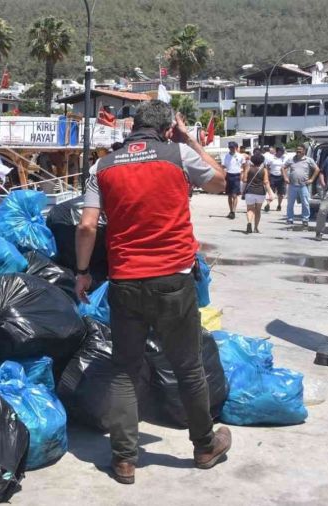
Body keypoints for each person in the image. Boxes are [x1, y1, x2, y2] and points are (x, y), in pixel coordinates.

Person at [73, 100, 232, 485]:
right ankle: (204, 445)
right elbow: (221, 181)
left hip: (125, 282)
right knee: (189, 367)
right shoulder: (176, 154)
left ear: (132, 127)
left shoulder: (103, 166)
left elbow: (87, 226)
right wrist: (190, 141)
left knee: (125, 371)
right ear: (167, 129)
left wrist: (81, 273)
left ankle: (124, 460)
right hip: (174, 280)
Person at [283, 145, 319, 227]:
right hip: (292, 185)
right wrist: (285, 177)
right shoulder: (291, 159)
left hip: (303, 185)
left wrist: (312, 179)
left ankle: (305, 219)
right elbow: (283, 167)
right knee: (290, 203)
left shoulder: (308, 160)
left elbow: (317, 169)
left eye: (300, 150)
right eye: (297, 150)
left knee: (305, 203)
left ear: (304, 151)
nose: (298, 151)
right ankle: (290, 219)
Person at [240, 153, 274, 234]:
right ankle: (256, 228)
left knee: (250, 209)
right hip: (260, 192)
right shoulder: (264, 170)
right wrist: (270, 194)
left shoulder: (248, 168)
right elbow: (266, 182)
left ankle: (249, 223)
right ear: (262, 161)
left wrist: (243, 190)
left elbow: (244, 180)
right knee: (258, 210)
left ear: (252, 161)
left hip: (249, 192)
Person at [222, 141, 245, 219]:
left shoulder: (240, 156)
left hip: (236, 175)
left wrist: (243, 175)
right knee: (229, 195)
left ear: (236, 147)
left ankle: (234, 211)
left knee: (235, 195)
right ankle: (231, 210)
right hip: (229, 175)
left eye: (232, 147)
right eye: (230, 147)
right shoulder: (226, 156)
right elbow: (224, 166)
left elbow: (244, 165)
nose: (231, 149)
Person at [264, 145, 289, 212]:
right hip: (272, 176)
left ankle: (279, 205)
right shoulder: (271, 158)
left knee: (281, 193)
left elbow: (286, 167)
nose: (283, 153)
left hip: (281, 177)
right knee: (271, 191)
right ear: (278, 151)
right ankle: (268, 204)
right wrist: (268, 175)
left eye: (283, 151)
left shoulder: (285, 158)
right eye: (281, 151)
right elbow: (267, 166)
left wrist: (285, 175)